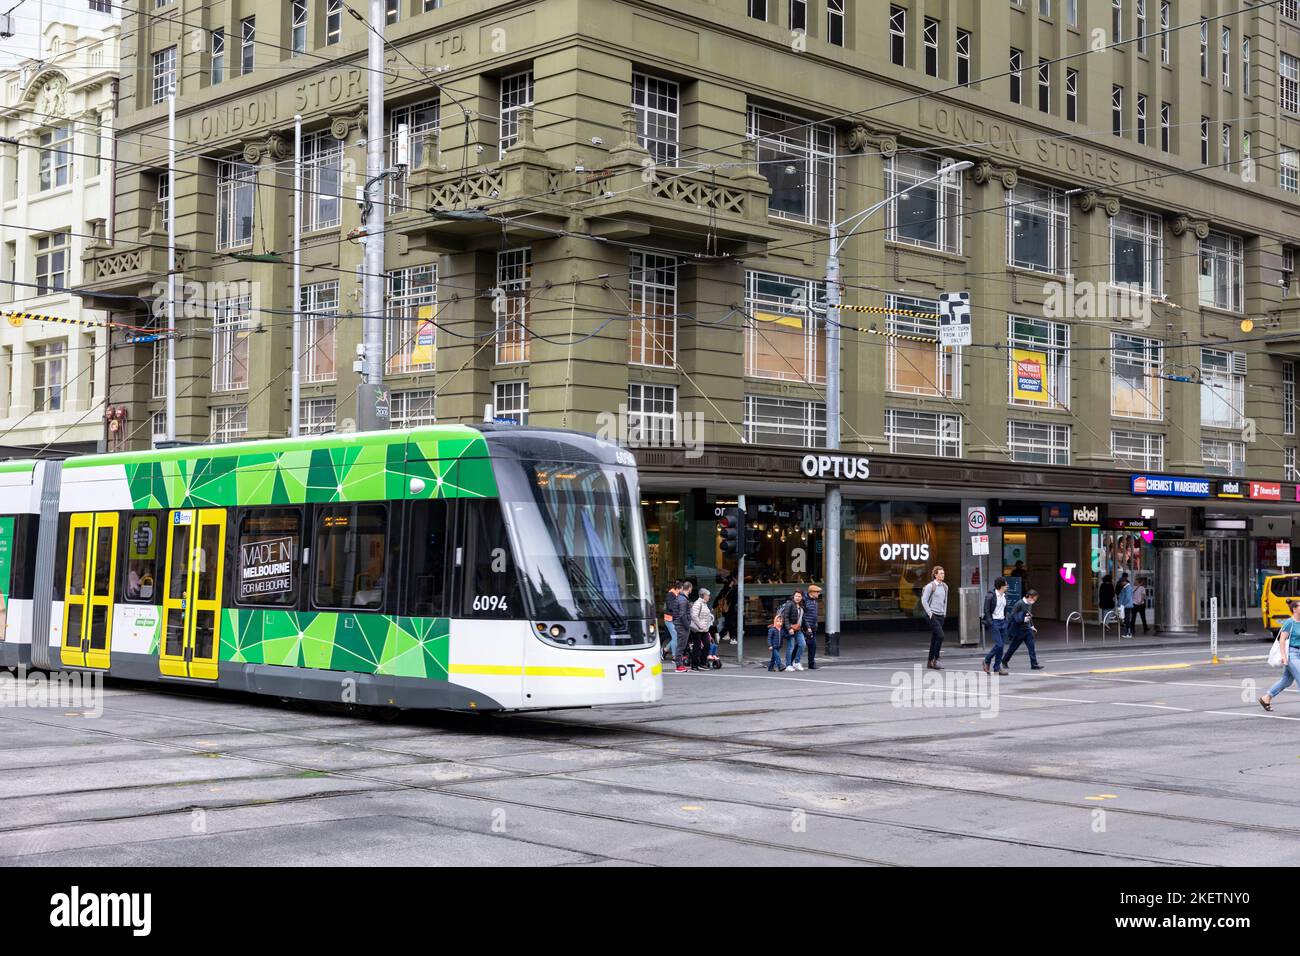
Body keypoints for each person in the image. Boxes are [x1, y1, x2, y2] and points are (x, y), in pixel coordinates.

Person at [1260, 599, 1300, 710]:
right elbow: (1282, 640)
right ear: (1294, 609)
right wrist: (1284, 656)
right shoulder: (1289, 622)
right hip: (1291, 654)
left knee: (1286, 681)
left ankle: (1266, 698)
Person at [1002, 589, 1043, 672]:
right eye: (1034, 599)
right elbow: (1012, 616)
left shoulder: (1029, 604)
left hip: (1027, 630)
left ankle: (1034, 664)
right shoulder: (1019, 604)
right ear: (1029, 597)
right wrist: (1021, 619)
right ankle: (1004, 660)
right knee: (1013, 648)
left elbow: (1029, 615)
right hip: (1019, 630)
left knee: (1031, 647)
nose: (1034, 601)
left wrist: (1032, 626)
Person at [921, 566, 948, 670]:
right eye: (940, 573)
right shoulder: (930, 586)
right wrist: (929, 612)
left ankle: (929, 662)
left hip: (941, 615)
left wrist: (944, 613)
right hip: (932, 615)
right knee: (940, 636)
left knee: (935, 638)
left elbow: (945, 600)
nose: (942, 575)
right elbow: (924, 600)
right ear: (935, 575)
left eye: (943, 573)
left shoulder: (945, 586)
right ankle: (936, 659)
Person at [981, 576, 1009, 675]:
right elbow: (986, 610)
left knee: (1001, 647)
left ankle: (997, 668)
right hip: (994, 622)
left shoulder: (1005, 596)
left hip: (1002, 622)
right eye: (1006, 584)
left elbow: (1005, 610)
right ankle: (987, 660)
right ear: (1001, 586)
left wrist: (1006, 620)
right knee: (999, 644)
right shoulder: (990, 596)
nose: (1007, 586)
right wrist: (990, 622)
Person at [777, 589, 807, 671]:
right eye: (796, 596)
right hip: (790, 629)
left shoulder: (801, 605)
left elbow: (803, 618)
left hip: (798, 628)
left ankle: (796, 662)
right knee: (791, 647)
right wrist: (789, 628)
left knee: (802, 644)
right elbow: (785, 617)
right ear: (793, 596)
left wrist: (808, 627)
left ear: (802, 597)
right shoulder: (789, 604)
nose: (798, 598)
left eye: (799, 596)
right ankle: (788, 665)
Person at [687, 586, 715, 671]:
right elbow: (694, 616)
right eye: (708, 595)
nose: (709, 597)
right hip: (697, 630)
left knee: (707, 645)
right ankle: (695, 665)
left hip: (704, 630)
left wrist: (710, 617)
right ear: (703, 595)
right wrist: (700, 625)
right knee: (697, 647)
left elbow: (706, 615)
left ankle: (702, 663)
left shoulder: (704, 604)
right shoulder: (697, 603)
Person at [672, 581, 693, 673]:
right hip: (682, 625)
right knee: (681, 645)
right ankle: (679, 666)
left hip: (679, 624)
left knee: (681, 645)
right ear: (689, 588)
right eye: (691, 588)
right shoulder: (683, 600)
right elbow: (682, 615)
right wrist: (687, 625)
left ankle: (680, 664)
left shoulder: (680, 598)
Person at [714, 572, 739, 644]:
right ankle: (720, 635)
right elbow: (734, 600)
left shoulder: (724, 589)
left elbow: (718, 597)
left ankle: (732, 638)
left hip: (724, 609)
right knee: (730, 624)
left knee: (730, 623)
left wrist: (714, 606)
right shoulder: (733, 590)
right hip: (730, 609)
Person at [804, 584, 821, 670]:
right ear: (811, 592)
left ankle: (811, 663)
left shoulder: (814, 601)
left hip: (813, 627)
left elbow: (814, 614)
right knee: (800, 645)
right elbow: (803, 615)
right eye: (817, 592)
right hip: (805, 627)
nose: (818, 593)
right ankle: (792, 662)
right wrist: (807, 626)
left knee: (812, 645)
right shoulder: (805, 600)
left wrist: (815, 624)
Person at [662, 581, 681, 661]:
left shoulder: (676, 594)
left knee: (675, 637)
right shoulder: (671, 594)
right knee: (675, 637)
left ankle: (665, 650)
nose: (682, 591)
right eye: (681, 589)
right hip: (669, 619)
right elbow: (670, 607)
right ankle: (674, 656)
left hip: (673, 619)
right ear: (678, 588)